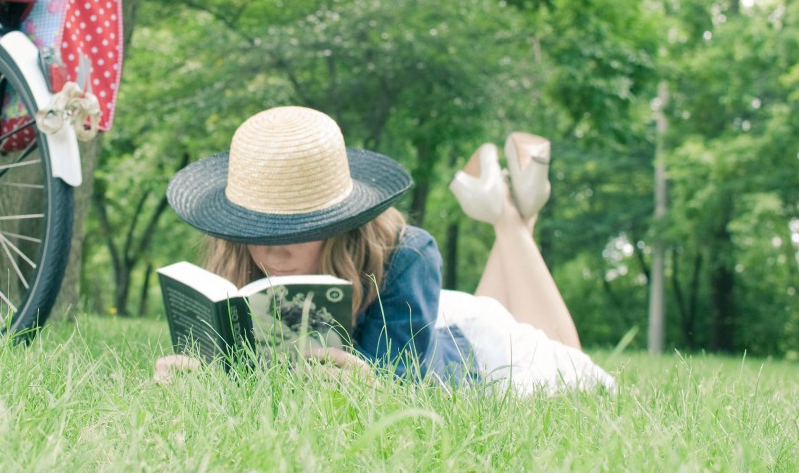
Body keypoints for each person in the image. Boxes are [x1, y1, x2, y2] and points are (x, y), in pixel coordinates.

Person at [156, 105, 615, 395]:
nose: (272, 252)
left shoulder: (406, 255)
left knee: (569, 359)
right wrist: (198, 379)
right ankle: (504, 207)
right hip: (435, 315)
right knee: (495, 304)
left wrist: (364, 386)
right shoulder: (237, 257)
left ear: (337, 223)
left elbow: (404, 391)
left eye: (294, 228)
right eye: (257, 228)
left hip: (475, 353)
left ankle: (512, 218)